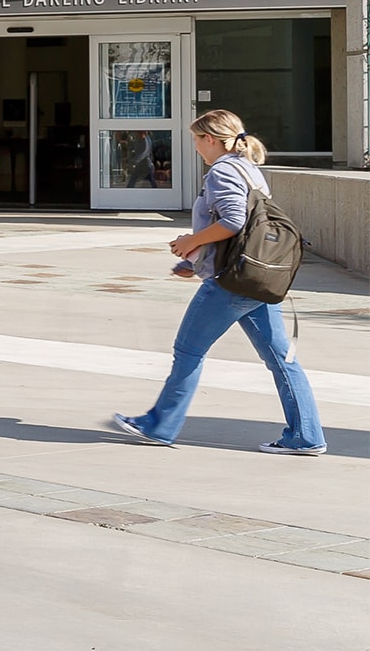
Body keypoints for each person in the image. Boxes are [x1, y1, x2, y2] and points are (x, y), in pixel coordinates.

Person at [114, 109, 325, 456]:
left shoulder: (222, 171)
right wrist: (193, 260)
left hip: (230, 283)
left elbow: (233, 221)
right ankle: (307, 435)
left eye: (197, 140)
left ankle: (159, 425)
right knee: (281, 359)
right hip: (256, 279)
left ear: (210, 139)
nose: (195, 147)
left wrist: (190, 242)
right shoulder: (249, 170)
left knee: (188, 351)